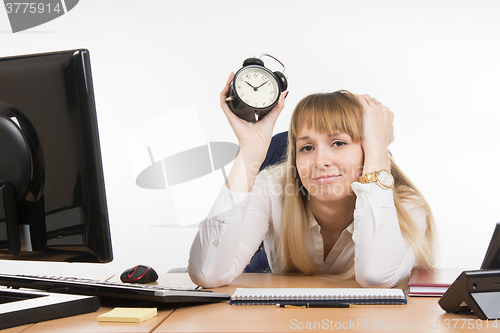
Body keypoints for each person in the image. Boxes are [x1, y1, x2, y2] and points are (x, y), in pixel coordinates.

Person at [188, 72, 437, 288]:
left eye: (338, 143)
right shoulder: (273, 187)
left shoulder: (406, 205)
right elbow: (207, 274)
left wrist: (378, 148)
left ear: (368, 150)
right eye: (307, 147)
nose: (320, 161)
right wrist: (250, 150)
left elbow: (377, 276)